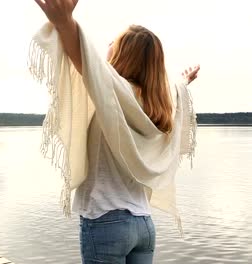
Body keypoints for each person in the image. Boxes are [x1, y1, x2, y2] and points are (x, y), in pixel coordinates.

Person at [33, 0, 200, 263]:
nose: (108, 43)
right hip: (143, 224)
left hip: (105, 220)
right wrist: (183, 81)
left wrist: (65, 22)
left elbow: (85, 57)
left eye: (115, 41)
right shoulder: (160, 102)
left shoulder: (112, 90)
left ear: (124, 54)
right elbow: (174, 90)